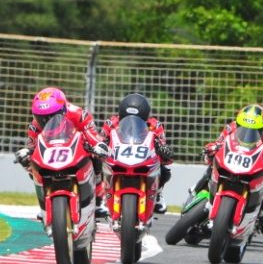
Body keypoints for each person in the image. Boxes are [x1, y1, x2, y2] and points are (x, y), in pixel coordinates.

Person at [14, 87, 111, 220]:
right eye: (41, 118)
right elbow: (32, 146)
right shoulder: (34, 126)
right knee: (31, 165)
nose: (46, 122)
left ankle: (98, 201)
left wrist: (98, 146)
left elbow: (92, 136)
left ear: (63, 110)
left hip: (77, 150)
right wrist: (26, 156)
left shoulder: (79, 114)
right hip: (51, 155)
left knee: (96, 158)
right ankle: (45, 202)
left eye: (52, 117)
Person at [192, 104, 263, 213]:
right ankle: (196, 190)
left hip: (259, 160)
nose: (248, 133)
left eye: (255, 130)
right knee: (214, 157)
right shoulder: (231, 127)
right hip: (236, 156)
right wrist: (212, 149)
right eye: (242, 127)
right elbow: (219, 143)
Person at [99, 93, 174, 214]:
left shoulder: (155, 125)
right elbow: (100, 140)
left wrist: (163, 149)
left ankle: (158, 193)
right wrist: (101, 146)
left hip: (143, 155)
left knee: (165, 168)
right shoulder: (111, 123)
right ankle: (102, 195)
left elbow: (162, 143)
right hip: (118, 154)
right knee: (97, 163)